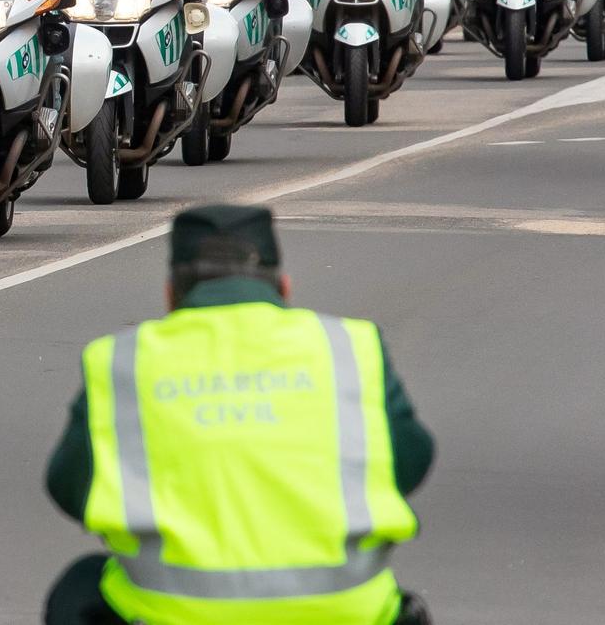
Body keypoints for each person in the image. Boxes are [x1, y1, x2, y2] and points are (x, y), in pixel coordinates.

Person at [42, 204, 433, 625]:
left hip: (174, 614)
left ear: (171, 294)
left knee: (80, 586)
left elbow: (69, 485)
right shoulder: (347, 347)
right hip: (343, 610)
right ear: (284, 287)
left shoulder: (124, 360)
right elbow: (410, 459)